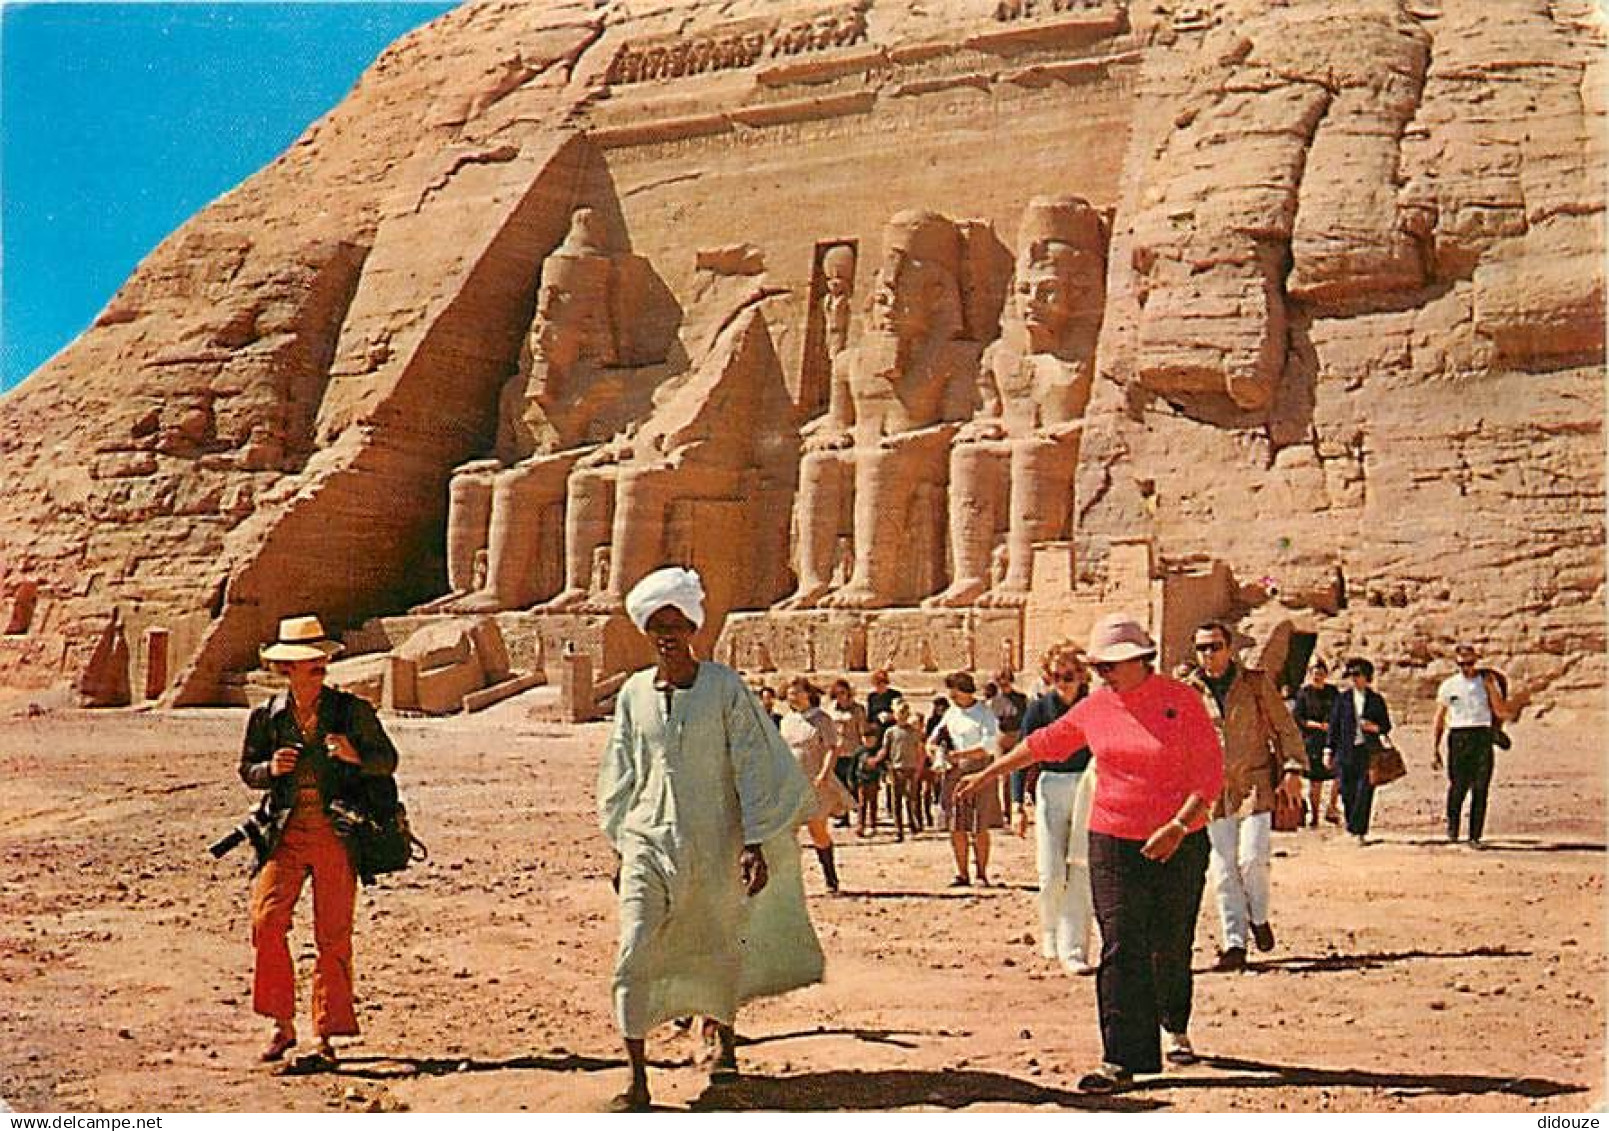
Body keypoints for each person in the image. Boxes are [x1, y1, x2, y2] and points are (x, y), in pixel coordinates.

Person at [957, 613, 1223, 1092]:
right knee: (1121, 942)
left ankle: (1174, 1024)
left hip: (1179, 841)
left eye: (1113, 665)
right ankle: (1121, 1059)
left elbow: (1209, 775)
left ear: (1143, 660)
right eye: (1098, 666)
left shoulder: (1182, 701)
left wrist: (1179, 826)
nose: (1104, 674)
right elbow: (1045, 743)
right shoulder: (1097, 706)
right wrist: (990, 774)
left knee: (1170, 943)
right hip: (1112, 838)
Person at [598, 567, 824, 1110]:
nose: (667, 634)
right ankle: (636, 1077)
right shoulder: (633, 694)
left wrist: (755, 841)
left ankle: (724, 1045)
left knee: (719, 942)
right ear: (646, 631)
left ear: (692, 629)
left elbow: (751, 763)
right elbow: (622, 769)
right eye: (657, 625)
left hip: (715, 840)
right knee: (633, 948)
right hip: (647, 840)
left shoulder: (724, 688)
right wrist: (618, 844)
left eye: (676, 624)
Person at [239, 615, 399, 1066]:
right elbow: (248, 769)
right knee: (266, 920)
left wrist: (354, 755)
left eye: (321, 663)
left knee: (333, 936)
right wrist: (271, 769)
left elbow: (387, 760)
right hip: (284, 834)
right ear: (287, 671)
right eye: (309, 664)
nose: (319, 670)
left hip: (336, 833)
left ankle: (325, 1034)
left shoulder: (351, 712)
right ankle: (281, 1024)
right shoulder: (266, 716)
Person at [1184, 622, 1307, 972]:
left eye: (1215, 646)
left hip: (1254, 782)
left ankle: (1259, 915)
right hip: (1211, 788)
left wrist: (1294, 770)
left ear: (1230, 647)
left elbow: (1285, 726)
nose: (1209, 654)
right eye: (1202, 648)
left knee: (1252, 858)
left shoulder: (1253, 683)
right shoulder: (1189, 690)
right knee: (1223, 869)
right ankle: (1234, 942)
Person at [1014, 640, 1097, 975]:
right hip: (1051, 784)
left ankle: (1075, 947)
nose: (1063, 682)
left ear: (1081, 676)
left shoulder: (1092, 706)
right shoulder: (1039, 709)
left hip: (1087, 785)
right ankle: (1050, 930)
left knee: (1081, 867)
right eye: (1057, 676)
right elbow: (1024, 754)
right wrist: (1018, 802)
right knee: (1051, 872)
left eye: (1070, 675)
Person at [1431, 642, 1525, 847]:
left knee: (1481, 787)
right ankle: (1453, 828)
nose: (1467, 668)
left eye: (1470, 663)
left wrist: (1492, 688)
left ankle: (1475, 835)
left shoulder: (1487, 682)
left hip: (1482, 736)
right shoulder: (1449, 685)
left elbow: (1501, 712)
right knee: (1458, 787)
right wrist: (1435, 748)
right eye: (1462, 664)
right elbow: (1440, 717)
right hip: (1459, 736)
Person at [779, 675, 855, 892]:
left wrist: (824, 773)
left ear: (807, 693)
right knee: (787, 832)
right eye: (789, 693)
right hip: (792, 781)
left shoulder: (822, 719)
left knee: (817, 830)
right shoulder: (787, 720)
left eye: (796, 692)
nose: (792, 697)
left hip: (816, 780)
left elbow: (832, 748)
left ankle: (831, 879)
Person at [938, 672, 1004, 886]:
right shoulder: (951, 713)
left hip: (979, 771)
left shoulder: (984, 713)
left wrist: (961, 755)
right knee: (956, 825)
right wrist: (936, 751)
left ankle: (982, 873)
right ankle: (962, 872)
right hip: (954, 772)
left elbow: (988, 746)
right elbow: (936, 735)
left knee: (979, 825)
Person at [1323, 657, 1393, 844]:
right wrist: (1328, 750)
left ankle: (1359, 830)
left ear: (1367, 677)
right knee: (1347, 790)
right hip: (1346, 750)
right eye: (1351, 675)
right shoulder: (1342, 699)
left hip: (1368, 751)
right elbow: (1334, 726)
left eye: (1358, 675)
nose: (1354, 679)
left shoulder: (1376, 700)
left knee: (1365, 790)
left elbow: (1386, 725)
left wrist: (1374, 727)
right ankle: (1351, 827)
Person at [1292, 659, 1340, 826]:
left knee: (1339, 774)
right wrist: (1317, 725)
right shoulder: (1304, 694)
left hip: (1331, 739)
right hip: (1312, 740)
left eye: (1321, 673)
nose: (1318, 677)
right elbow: (1298, 717)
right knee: (1316, 780)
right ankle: (1314, 817)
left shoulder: (1333, 692)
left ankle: (1332, 808)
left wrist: (1331, 725)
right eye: (1315, 674)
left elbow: (1339, 711)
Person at [880, 698, 927, 840]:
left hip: (911, 768)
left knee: (911, 798)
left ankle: (913, 823)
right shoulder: (891, 732)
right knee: (896, 800)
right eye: (900, 712)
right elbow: (885, 750)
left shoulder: (914, 732)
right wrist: (883, 765)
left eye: (905, 713)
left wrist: (919, 768)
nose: (902, 715)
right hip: (896, 768)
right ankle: (899, 829)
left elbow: (919, 750)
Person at [826, 678, 868, 827]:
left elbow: (863, 730)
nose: (840, 696)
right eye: (837, 693)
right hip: (837, 751)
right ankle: (844, 816)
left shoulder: (858, 709)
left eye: (843, 693)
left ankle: (860, 815)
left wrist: (865, 750)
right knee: (839, 784)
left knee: (853, 784)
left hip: (853, 750)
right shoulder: (831, 709)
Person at [990, 669, 1029, 823]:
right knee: (1002, 776)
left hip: (1017, 735)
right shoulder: (995, 700)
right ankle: (1005, 811)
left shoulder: (1020, 698)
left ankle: (1016, 805)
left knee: (1017, 772)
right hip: (1002, 736)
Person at [852, 721, 887, 836]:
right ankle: (860, 825)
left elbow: (882, 765)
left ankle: (873, 824)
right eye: (866, 739)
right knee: (861, 804)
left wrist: (884, 775)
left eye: (871, 739)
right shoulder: (859, 751)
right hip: (861, 781)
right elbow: (853, 766)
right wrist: (851, 780)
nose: (868, 741)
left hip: (873, 780)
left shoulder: (878, 752)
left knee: (873, 803)